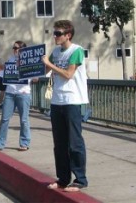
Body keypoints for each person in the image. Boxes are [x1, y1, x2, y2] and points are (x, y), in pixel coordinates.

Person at [42, 20, 89, 192]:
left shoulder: (76, 51)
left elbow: (69, 74)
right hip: (57, 101)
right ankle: (63, 178)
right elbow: (46, 70)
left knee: (74, 142)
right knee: (59, 143)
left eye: (58, 33)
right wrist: (32, 67)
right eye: (54, 33)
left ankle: (80, 179)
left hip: (72, 100)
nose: (55, 36)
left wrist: (50, 64)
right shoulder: (55, 51)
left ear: (68, 35)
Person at [0, 40, 32, 151]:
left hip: (23, 93)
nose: (14, 50)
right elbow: (4, 71)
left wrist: (23, 68)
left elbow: (35, 77)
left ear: (23, 49)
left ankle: (24, 142)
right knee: (4, 118)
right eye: (13, 48)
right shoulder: (11, 59)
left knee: (24, 120)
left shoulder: (29, 61)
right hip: (10, 93)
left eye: (16, 48)